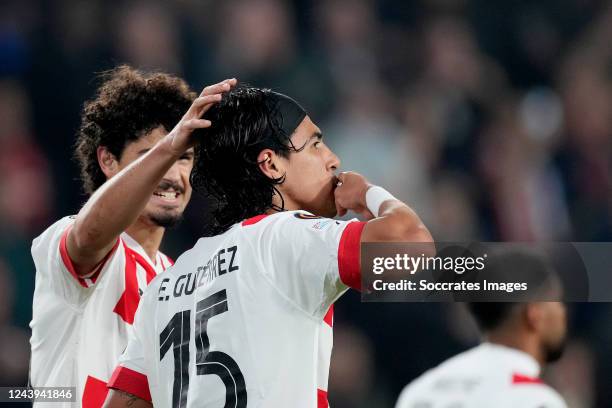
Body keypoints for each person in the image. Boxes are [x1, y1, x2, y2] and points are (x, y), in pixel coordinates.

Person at [104, 86, 433, 407]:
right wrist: (368, 194)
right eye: (315, 144)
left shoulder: (165, 285)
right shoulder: (284, 237)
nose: (333, 159)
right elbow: (416, 249)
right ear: (271, 164)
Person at [29, 64, 236, 407]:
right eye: (152, 156)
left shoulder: (181, 281)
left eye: (184, 158)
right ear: (108, 160)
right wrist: (169, 148)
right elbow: (89, 236)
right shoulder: (69, 239)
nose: (173, 174)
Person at [395, 250, 568, 408]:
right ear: (534, 316)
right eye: (558, 303)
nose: (563, 314)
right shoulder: (536, 400)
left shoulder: (421, 389)